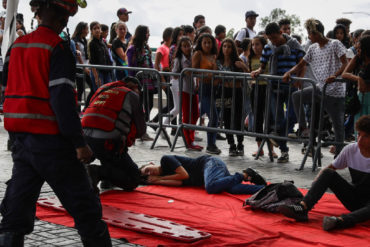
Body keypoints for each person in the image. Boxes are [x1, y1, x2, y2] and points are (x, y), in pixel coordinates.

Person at [0, 0, 111, 246]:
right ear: (63, 16)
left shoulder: (17, 46)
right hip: (53, 145)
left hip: (21, 143)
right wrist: (79, 143)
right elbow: (62, 101)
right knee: (86, 210)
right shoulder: (58, 48)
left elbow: (4, 88)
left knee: (14, 215)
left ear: (38, 11)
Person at [279, 115, 370, 231]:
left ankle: (341, 221)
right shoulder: (351, 150)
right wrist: (317, 183)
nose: (360, 140)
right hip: (355, 199)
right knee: (328, 173)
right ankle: (303, 207)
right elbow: (330, 169)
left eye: (366, 136)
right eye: (359, 135)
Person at [283, 19, 348, 157]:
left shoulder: (335, 44)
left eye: (310, 33)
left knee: (337, 125)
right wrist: (289, 72)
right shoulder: (312, 48)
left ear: (316, 33)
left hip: (335, 92)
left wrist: (335, 76)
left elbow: (345, 63)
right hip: (320, 88)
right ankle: (303, 128)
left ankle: (340, 155)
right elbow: (301, 64)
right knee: (297, 96)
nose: (308, 36)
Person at [252, 22, 305, 163]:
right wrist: (258, 71)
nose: (274, 42)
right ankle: (284, 151)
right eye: (271, 39)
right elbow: (262, 65)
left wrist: (299, 79)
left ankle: (277, 133)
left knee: (293, 116)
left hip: (291, 85)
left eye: (275, 38)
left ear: (281, 33)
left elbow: (302, 62)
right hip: (274, 86)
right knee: (278, 117)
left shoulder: (294, 44)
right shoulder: (269, 47)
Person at [83, 76, 146, 192]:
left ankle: (105, 179)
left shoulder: (103, 88)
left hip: (84, 140)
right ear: (135, 87)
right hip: (107, 143)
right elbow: (141, 130)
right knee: (133, 178)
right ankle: (98, 171)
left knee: (113, 142)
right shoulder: (131, 95)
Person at [140, 155, 267, 194]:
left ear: (150, 163)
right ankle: (266, 189)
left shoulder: (165, 160)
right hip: (211, 173)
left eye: (147, 169)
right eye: (147, 175)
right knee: (232, 189)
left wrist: (160, 178)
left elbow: (184, 175)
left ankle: (245, 175)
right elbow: (179, 183)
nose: (150, 173)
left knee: (210, 187)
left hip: (210, 163)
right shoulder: (166, 177)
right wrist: (158, 181)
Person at [216, 38, 249, 156]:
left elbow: (248, 73)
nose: (226, 49)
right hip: (224, 91)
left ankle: (240, 143)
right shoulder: (218, 61)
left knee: (238, 118)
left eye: (229, 46)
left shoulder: (237, 60)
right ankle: (231, 144)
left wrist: (243, 66)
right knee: (227, 118)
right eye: (224, 46)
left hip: (237, 91)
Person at [248, 35, 277, 158]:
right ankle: (260, 148)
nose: (255, 47)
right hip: (255, 89)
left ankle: (272, 149)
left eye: (257, 44)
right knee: (258, 119)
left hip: (268, 88)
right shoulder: (251, 58)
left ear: (263, 45)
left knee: (269, 118)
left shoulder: (269, 57)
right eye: (253, 45)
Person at [171, 36, 202, 151]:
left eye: (188, 45)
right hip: (183, 89)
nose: (187, 48)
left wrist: (197, 81)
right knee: (186, 116)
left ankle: (191, 138)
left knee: (195, 114)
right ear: (181, 47)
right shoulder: (179, 59)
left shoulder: (195, 56)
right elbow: (174, 74)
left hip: (193, 89)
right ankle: (188, 142)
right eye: (184, 46)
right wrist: (183, 72)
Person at [192, 33, 220, 154]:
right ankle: (210, 145)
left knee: (208, 115)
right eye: (205, 43)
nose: (207, 45)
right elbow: (193, 71)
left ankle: (211, 143)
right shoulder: (198, 54)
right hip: (204, 87)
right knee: (213, 117)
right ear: (201, 44)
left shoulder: (214, 55)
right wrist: (206, 75)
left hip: (214, 88)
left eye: (209, 42)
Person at [127, 25, 154, 141]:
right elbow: (131, 67)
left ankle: (143, 130)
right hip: (138, 82)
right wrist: (133, 84)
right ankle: (138, 131)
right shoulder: (132, 49)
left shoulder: (146, 47)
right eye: (147, 32)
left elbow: (150, 64)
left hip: (148, 82)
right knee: (138, 108)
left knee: (149, 105)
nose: (149, 35)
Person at [342, 34, 370, 128]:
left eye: (360, 48)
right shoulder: (358, 58)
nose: (357, 51)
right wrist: (359, 79)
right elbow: (344, 73)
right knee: (359, 127)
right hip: (360, 98)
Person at [72, 21, 93, 110]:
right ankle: (78, 109)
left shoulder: (84, 40)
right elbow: (79, 56)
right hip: (80, 68)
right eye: (87, 29)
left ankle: (85, 108)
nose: (88, 31)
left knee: (93, 87)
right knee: (80, 89)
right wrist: (84, 68)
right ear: (82, 30)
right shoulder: (75, 41)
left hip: (86, 67)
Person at [88, 21, 113, 92]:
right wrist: (96, 77)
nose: (97, 30)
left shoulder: (103, 41)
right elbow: (92, 61)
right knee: (100, 94)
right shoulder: (92, 43)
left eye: (98, 28)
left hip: (107, 71)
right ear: (91, 31)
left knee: (108, 92)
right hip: (98, 72)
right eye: (94, 28)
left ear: (101, 30)